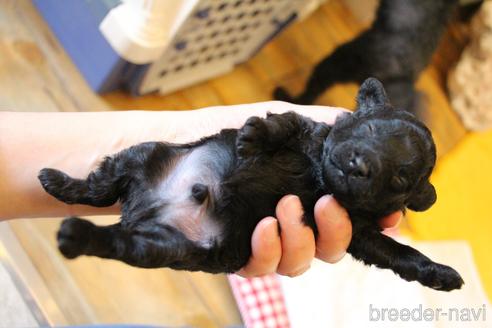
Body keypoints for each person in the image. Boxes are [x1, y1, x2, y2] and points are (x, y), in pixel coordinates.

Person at [0, 102, 401, 277]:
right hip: (178, 168)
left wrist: (412, 263)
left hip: (216, 228)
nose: (363, 163)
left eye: (396, 178)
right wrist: (266, 126)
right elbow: (289, 126)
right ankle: (86, 189)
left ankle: (105, 242)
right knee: (144, 158)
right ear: (360, 115)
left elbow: (368, 244)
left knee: (182, 245)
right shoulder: (314, 130)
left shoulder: (358, 213)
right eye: (369, 138)